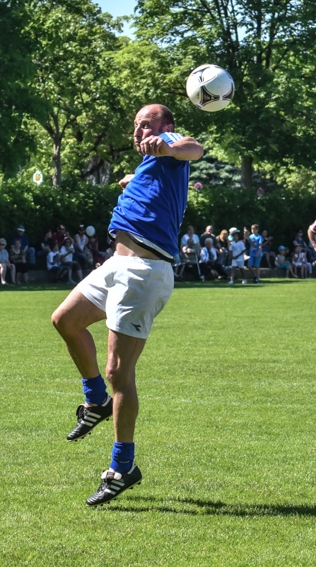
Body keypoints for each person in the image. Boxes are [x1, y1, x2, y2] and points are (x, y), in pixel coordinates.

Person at [50, 103, 203, 506]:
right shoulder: (151, 168)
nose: (140, 132)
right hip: (117, 265)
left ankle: (122, 467)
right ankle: (95, 399)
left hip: (144, 271)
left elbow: (194, 148)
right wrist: (133, 180)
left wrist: (167, 146)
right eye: (136, 126)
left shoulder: (170, 144)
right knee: (65, 320)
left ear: (166, 126)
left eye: (147, 125)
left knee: (120, 372)